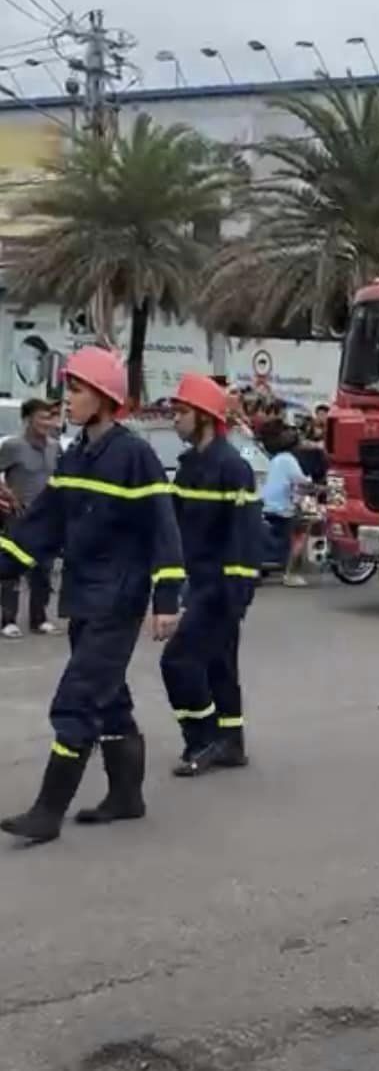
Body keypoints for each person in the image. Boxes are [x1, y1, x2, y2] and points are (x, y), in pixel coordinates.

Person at [0, 347, 184, 844]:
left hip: (117, 601)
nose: (67, 399)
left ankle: (47, 812)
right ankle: (127, 796)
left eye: (76, 390)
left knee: (77, 700)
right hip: (82, 597)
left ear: (105, 397)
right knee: (108, 698)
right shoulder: (77, 453)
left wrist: (167, 599)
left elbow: (163, 529)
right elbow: (45, 524)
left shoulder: (135, 455)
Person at [162, 374, 263, 776]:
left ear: (205, 417)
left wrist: (236, 594)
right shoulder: (189, 468)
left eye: (182, 412)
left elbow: (245, 535)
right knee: (220, 665)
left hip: (221, 589)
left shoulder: (232, 468)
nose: (175, 420)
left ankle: (201, 740)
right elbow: (171, 524)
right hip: (198, 584)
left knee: (179, 662)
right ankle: (232, 744)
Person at [0, 398, 59, 637]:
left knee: (43, 571)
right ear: (27, 419)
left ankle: (39, 618)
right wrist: (6, 495)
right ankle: (8, 620)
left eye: (50, 417)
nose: (48, 423)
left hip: (46, 521)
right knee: (11, 573)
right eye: (42, 417)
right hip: (18, 518)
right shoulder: (13, 446)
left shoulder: (56, 447)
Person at [259, 419, 312, 587]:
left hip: (267, 505)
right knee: (302, 533)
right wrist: (318, 486)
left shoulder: (276, 459)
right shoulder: (289, 460)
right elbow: (302, 483)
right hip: (280, 508)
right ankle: (291, 574)